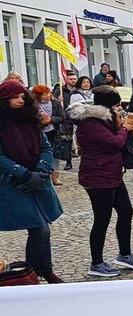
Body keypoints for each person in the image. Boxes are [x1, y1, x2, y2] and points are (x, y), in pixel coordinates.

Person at [68, 86, 133, 277]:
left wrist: (129, 130)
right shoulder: (92, 122)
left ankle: (124, 254)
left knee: (126, 211)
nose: (119, 108)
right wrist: (126, 129)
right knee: (102, 219)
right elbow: (113, 143)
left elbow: (117, 136)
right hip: (97, 176)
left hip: (112, 173)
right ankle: (96, 263)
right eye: (117, 104)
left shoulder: (105, 117)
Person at [0, 80, 64, 283]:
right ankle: (44, 270)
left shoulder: (31, 120)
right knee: (39, 226)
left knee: (38, 226)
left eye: (22, 96)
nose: (20, 100)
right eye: (15, 97)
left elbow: (45, 147)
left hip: (38, 179)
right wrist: (24, 174)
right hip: (14, 183)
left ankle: (34, 271)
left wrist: (41, 169)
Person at [32, 85, 65, 185]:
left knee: (55, 155)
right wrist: (41, 121)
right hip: (40, 133)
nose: (47, 95)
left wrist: (51, 119)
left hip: (54, 132)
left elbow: (62, 117)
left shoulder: (55, 103)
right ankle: (43, 176)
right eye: (44, 94)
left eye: (48, 93)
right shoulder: (33, 105)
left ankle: (55, 177)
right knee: (42, 154)